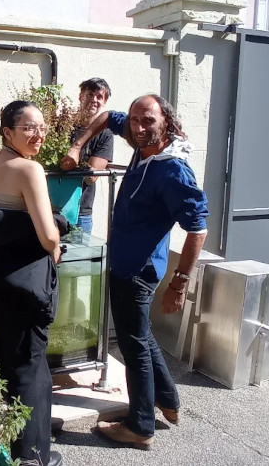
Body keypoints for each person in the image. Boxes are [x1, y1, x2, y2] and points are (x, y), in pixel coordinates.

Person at [61, 94, 208, 450]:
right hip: (125, 260)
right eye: (136, 120)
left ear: (166, 123)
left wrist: (180, 283)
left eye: (148, 122)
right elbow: (107, 116)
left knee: (133, 346)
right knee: (140, 336)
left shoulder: (172, 169)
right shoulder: (139, 139)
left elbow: (198, 229)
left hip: (137, 270)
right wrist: (78, 145)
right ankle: (168, 403)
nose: (139, 128)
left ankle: (140, 426)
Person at [0, 100, 66, 466]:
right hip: (21, 288)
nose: (39, 134)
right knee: (29, 368)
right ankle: (33, 458)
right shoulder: (29, 169)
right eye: (29, 128)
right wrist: (55, 251)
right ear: (8, 132)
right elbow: (48, 234)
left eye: (41, 127)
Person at [71, 78, 113, 234]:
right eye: (90, 95)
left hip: (81, 213)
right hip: (52, 208)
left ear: (104, 102)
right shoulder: (61, 125)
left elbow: (91, 176)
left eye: (99, 97)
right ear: (81, 96)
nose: (94, 100)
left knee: (79, 258)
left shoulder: (105, 134)